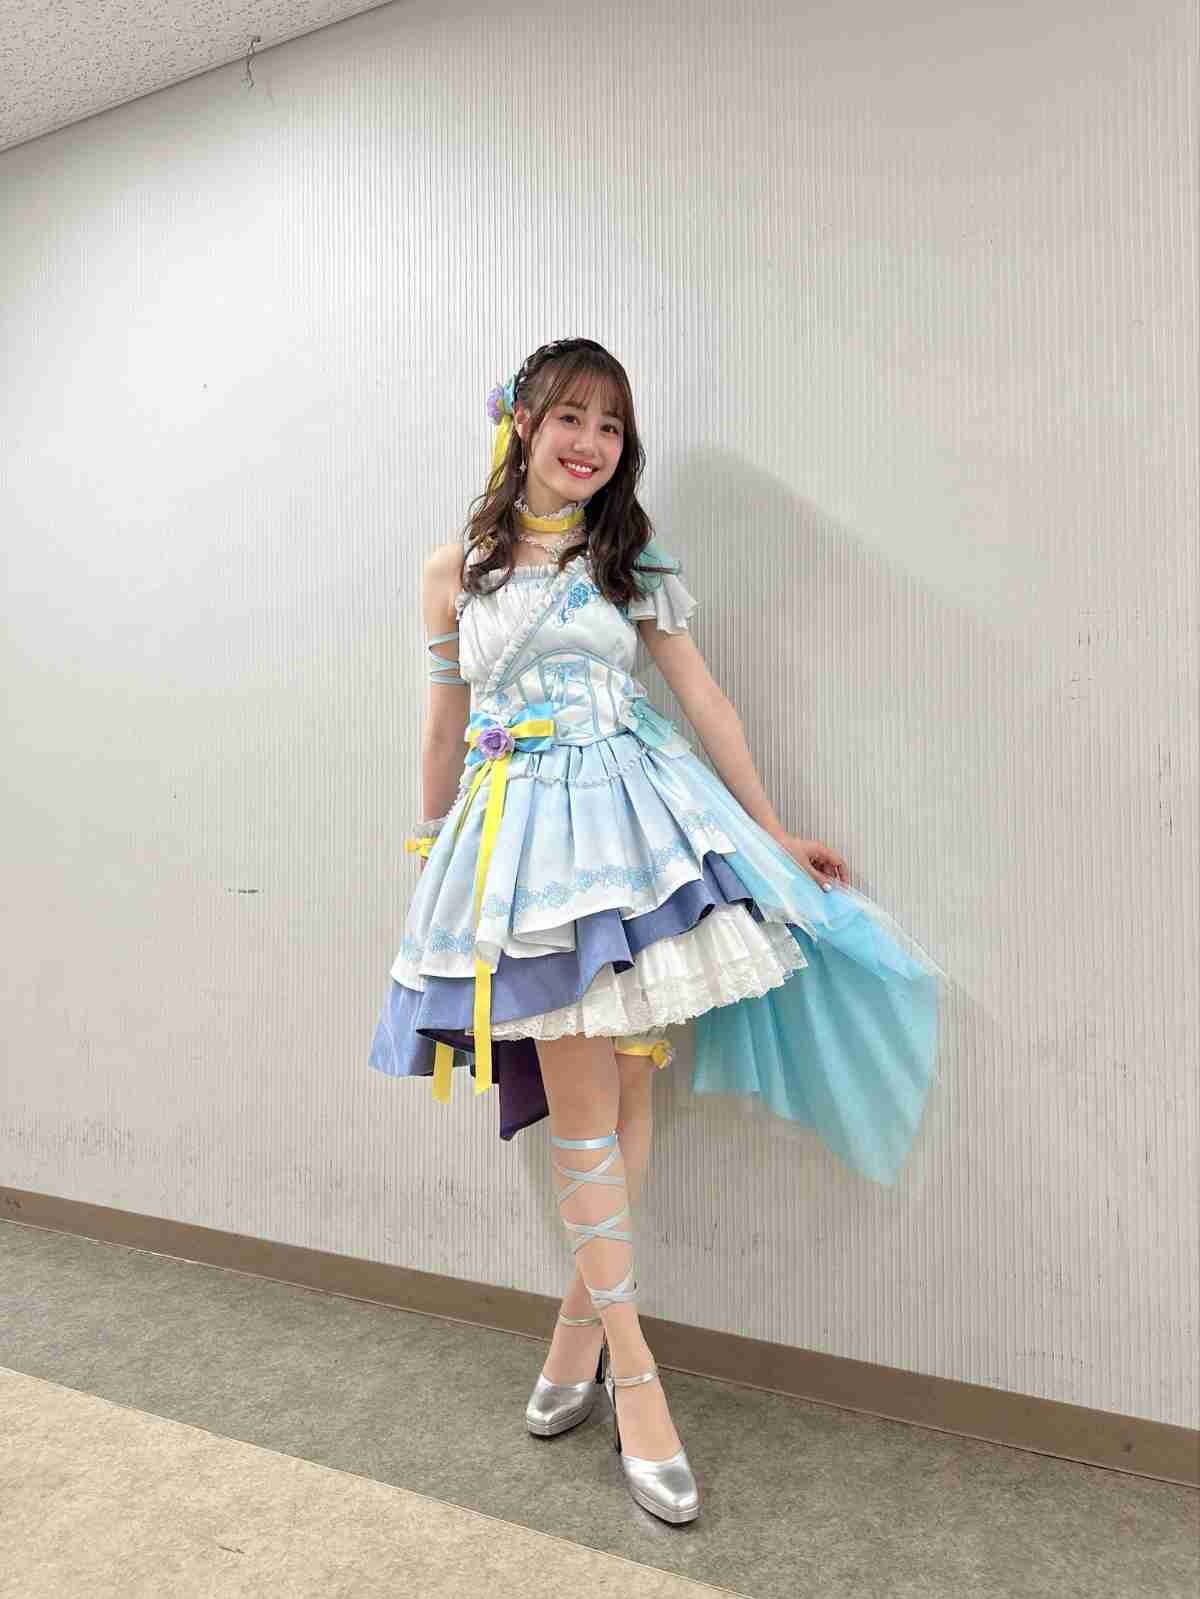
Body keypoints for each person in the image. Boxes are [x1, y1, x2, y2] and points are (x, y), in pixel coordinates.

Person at [369, 336, 946, 1525]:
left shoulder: (629, 557)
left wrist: (774, 833)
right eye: (570, 417)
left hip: (637, 835)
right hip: (523, 857)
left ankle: (579, 1343)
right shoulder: (453, 570)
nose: (590, 442)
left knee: (628, 1094)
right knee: (589, 1105)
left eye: (611, 425)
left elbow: (704, 699)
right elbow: (444, 727)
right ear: (522, 422)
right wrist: (431, 863)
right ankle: (637, 1384)